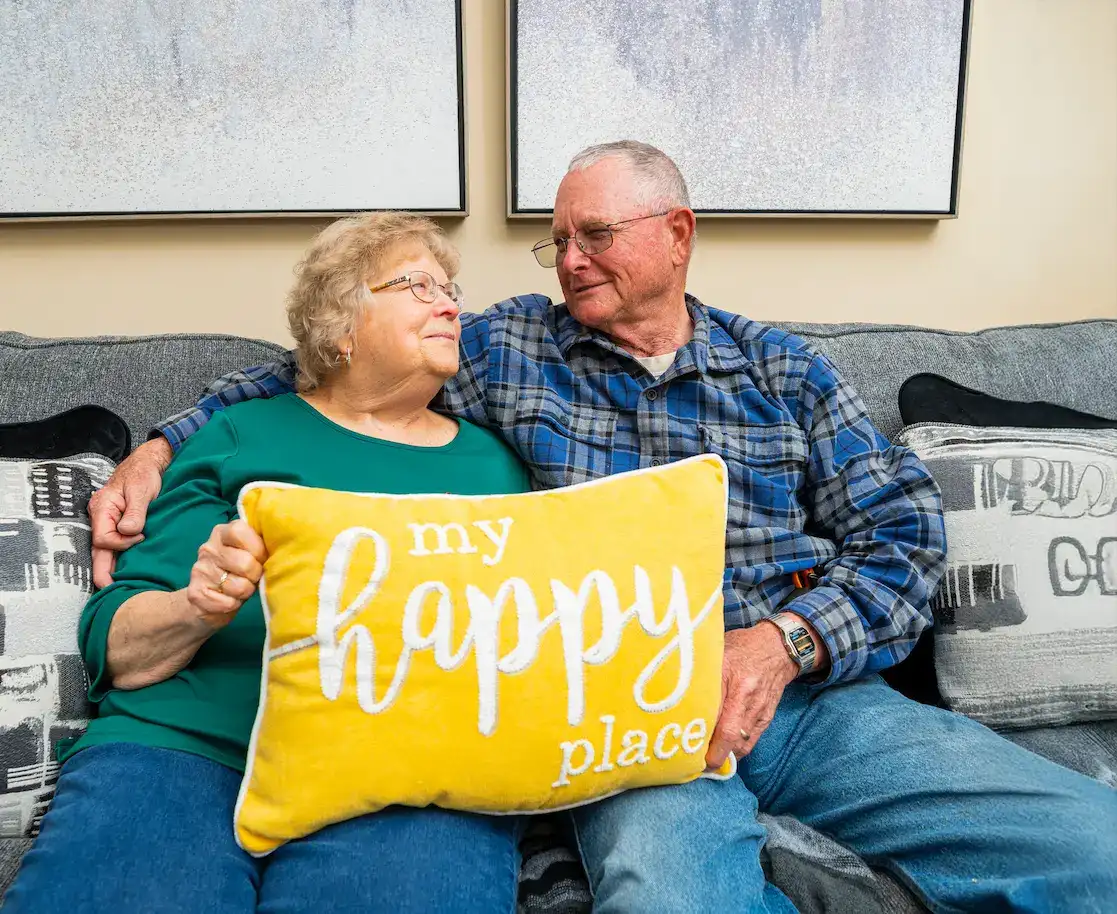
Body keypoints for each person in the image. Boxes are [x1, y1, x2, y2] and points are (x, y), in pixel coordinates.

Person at [89, 141, 1116, 912]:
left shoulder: (782, 369)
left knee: (1090, 846)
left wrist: (780, 645)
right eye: (558, 240)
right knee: (667, 895)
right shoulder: (511, 349)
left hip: (807, 690)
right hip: (620, 716)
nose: (568, 261)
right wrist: (160, 442)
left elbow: (901, 535)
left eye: (596, 236)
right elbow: (314, 366)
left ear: (677, 232)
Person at [4, 212, 771, 914]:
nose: (450, 306)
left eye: (451, 290)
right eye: (417, 286)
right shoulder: (243, 433)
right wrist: (197, 604)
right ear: (339, 326)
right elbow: (116, 646)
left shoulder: (496, 466)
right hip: (189, 745)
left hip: (409, 769)